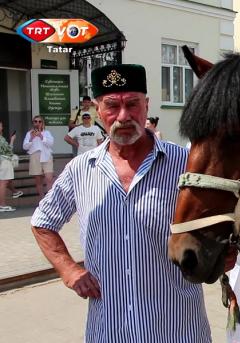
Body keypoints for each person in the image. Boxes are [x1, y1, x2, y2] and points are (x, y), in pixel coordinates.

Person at [30, 64, 211, 342]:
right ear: (98, 111)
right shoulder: (81, 169)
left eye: (132, 104)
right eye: (112, 106)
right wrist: (69, 269)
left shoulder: (184, 164)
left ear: (146, 105)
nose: (123, 116)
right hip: (109, 330)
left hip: (177, 328)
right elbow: (42, 222)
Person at [23, 115, 54, 199]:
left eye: (39, 121)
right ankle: (42, 199)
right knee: (38, 179)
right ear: (33, 123)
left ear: (42, 123)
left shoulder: (47, 133)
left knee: (49, 178)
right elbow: (25, 147)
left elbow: (50, 144)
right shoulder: (29, 133)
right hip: (35, 156)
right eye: (35, 121)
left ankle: (50, 198)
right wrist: (31, 138)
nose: (37, 123)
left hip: (46, 155)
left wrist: (41, 136)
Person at [0, 120, 17, 212]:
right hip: (4, 161)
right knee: (3, 183)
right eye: (0, 126)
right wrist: (12, 140)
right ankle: (2, 205)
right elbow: (9, 151)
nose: (1, 128)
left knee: (3, 182)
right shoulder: (1, 139)